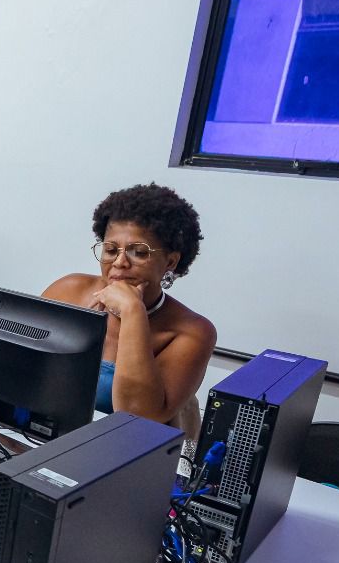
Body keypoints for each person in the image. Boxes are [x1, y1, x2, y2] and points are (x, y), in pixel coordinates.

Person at [41, 184, 215, 430]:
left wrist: (133, 313)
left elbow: (136, 418)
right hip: (38, 439)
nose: (120, 263)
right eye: (111, 250)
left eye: (139, 253)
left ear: (171, 261)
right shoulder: (68, 290)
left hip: (122, 455)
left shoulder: (193, 332)